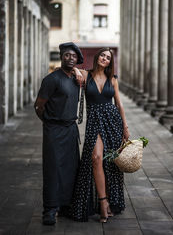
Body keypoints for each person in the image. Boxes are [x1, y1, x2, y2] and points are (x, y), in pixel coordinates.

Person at [72, 47, 130, 223]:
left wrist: (125, 127)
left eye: (108, 57)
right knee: (96, 158)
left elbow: (119, 105)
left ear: (110, 62)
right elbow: (62, 68)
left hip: (112, 121)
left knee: (110, 163)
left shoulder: (112, 79)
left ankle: (110, 202)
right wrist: (75, 70)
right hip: (94, 121)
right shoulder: (85, 74)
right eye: (103, 55)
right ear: (97, 57)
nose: (105, 58)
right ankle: (103, 203)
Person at [34, 42, 84, 225]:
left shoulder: (76, 78)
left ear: (77, 59)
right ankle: (49, 209)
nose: (70, 58)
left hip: (70, 129)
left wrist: (78, 71)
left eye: (74, 56)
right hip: (54, 129)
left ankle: (65, 206)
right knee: (52, 169)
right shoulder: (51, 79)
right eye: (67, 55)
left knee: (70, 168)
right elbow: (39, 106)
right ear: (61, 57)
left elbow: (94, 73)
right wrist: (50, 123)